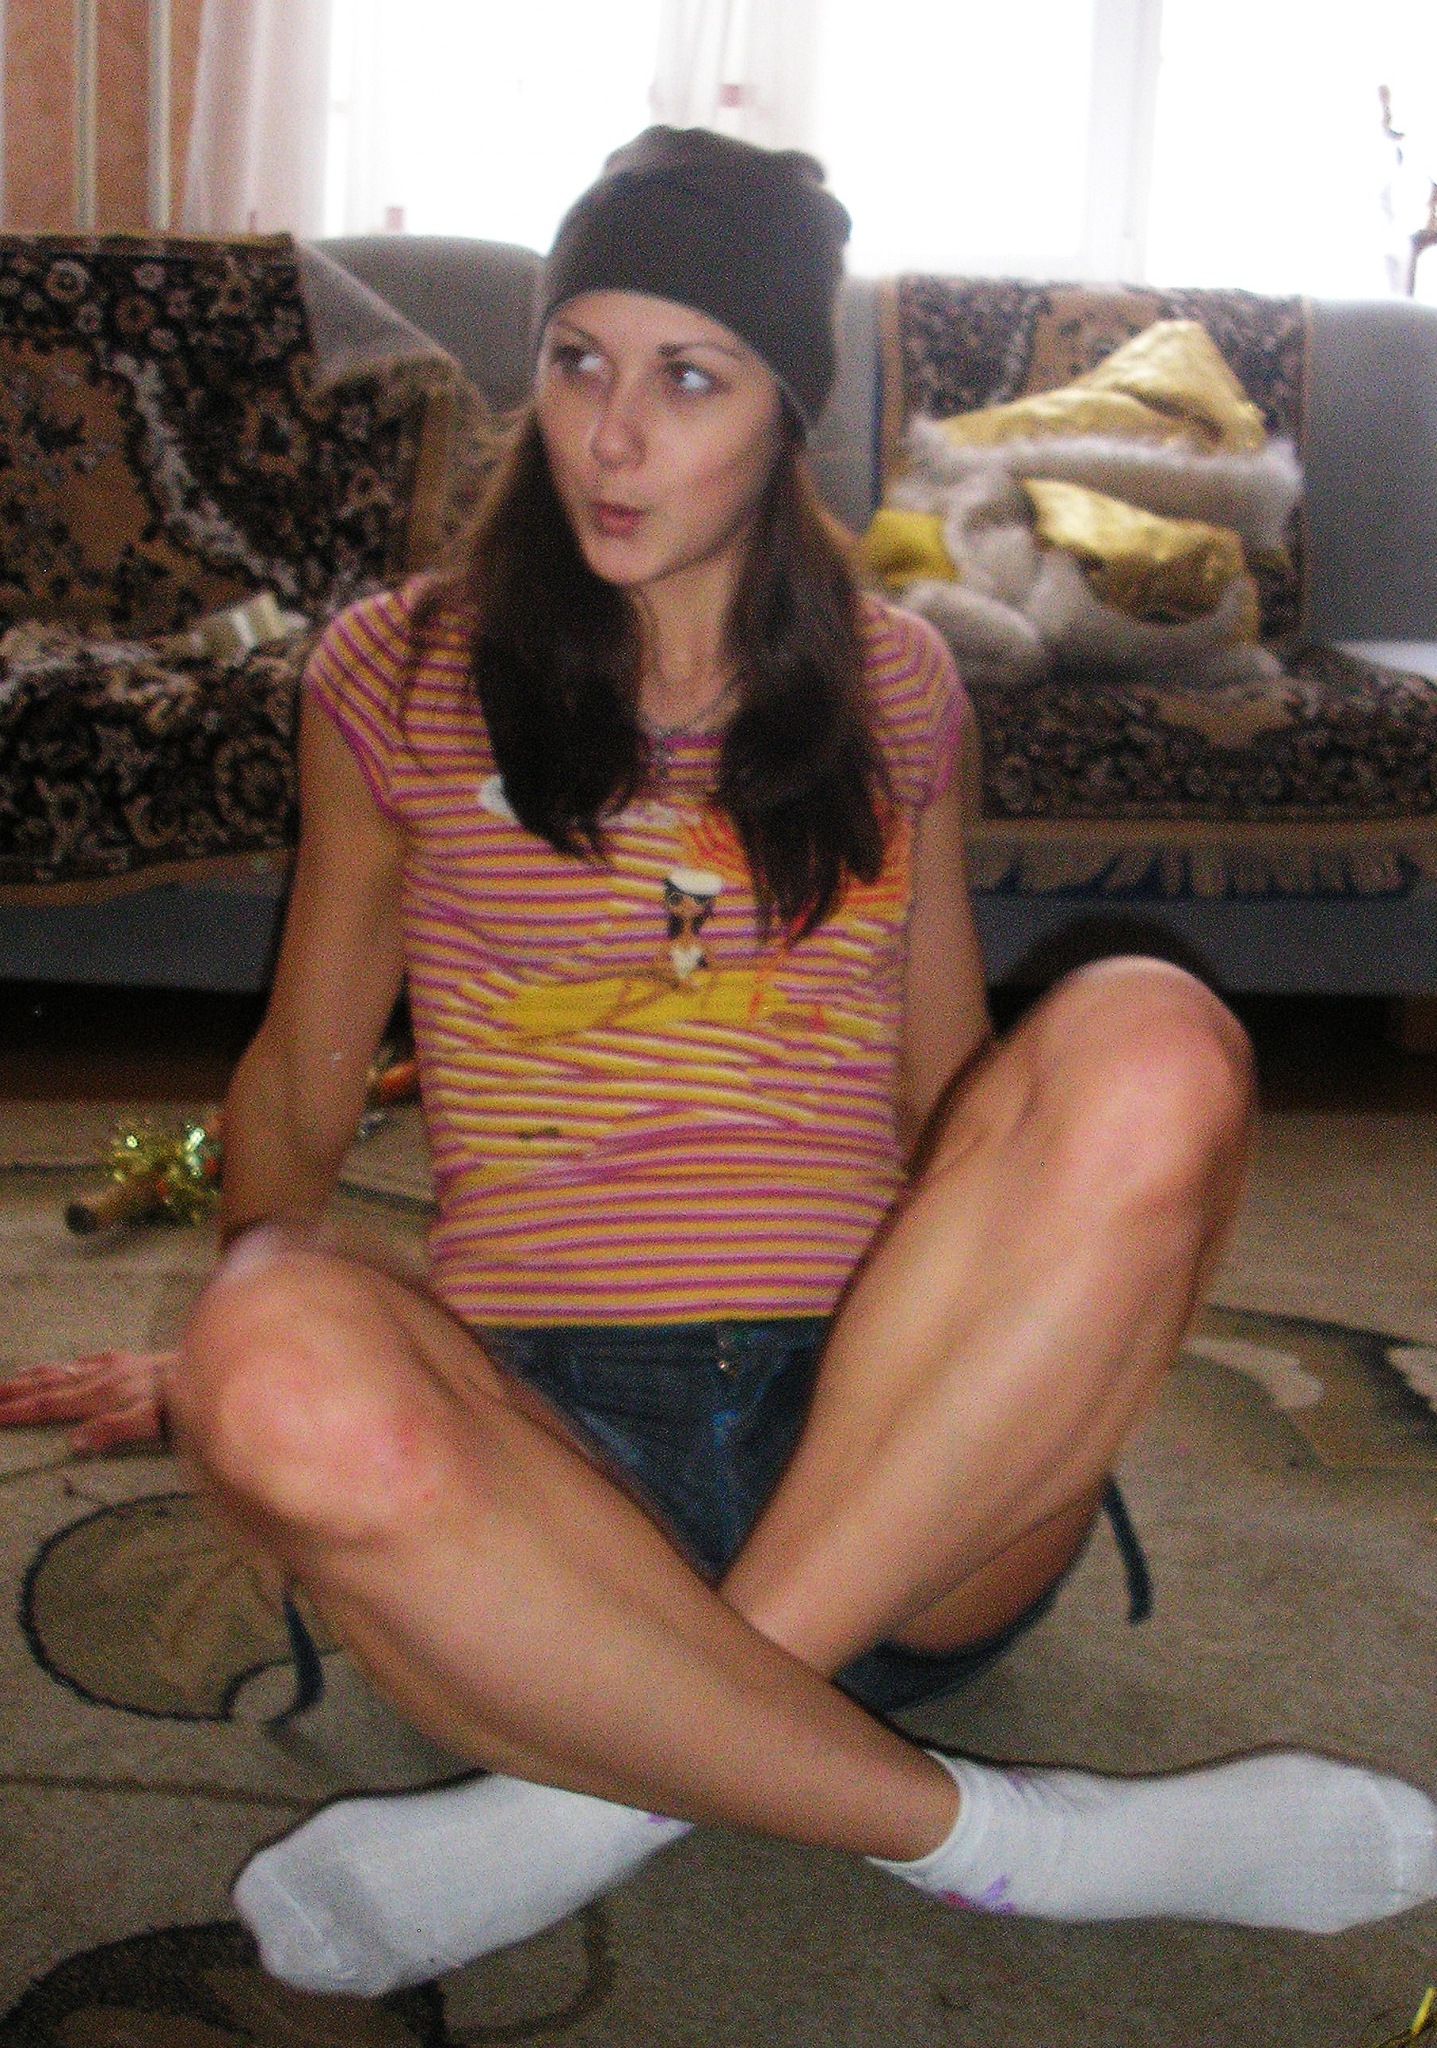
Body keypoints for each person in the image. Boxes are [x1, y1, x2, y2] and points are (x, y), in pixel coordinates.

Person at [3, 127, 1433, 1997]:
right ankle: (1013, 1843)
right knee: (268, 1333)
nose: (610, 436)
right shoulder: (392, 673)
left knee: (1155, 1034)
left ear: (785, 415)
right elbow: (301, 1068)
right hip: (545, 1500)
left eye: (689, 378)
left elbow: (949, 1094)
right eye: (577, 361)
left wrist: (1040, 1311)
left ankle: (586, 1803)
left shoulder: (899, 684)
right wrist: (228, 1349)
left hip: (888, 1462)